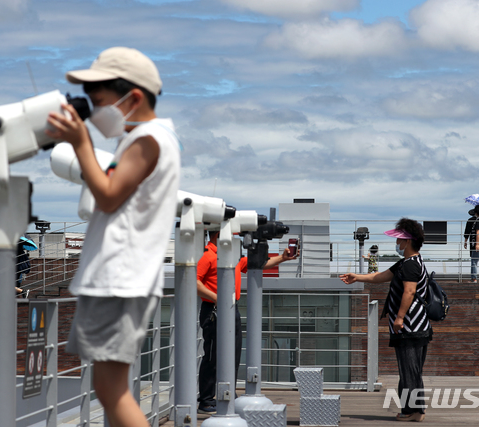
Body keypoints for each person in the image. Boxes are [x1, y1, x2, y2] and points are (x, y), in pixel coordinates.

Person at [46, 47, 180, 427]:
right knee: (109, 388)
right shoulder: (153, 137)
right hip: (124, 278)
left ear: (132, 97)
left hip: (120, 280)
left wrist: (81, 142)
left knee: (112, 390)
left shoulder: (148, 139)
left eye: (99, 100)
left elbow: (107, 195)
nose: (92, 108)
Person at [196, 230, 297, 415]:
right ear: (219, 234)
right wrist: (217, 298)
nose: (236, 239)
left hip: (231, 308)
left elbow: (259, 264)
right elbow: (194, 282)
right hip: (214, 309)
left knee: (232, 354)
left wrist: (283, 258)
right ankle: (206, 400)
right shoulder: (207, 255)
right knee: (212, 356)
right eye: (231, 234)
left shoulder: (231, 256)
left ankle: (226, 394)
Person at [340, 218, 431, 422]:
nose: (397, 244)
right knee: (411, 371)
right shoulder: (408, 263)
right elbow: (380, 276)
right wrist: (357, 277)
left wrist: (399, 318)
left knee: (409, 371)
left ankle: (412, 411)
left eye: (399, 240)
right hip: (416, 327)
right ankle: (415, 410)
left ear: (407, 241)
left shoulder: (410, 266)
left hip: (409, 327)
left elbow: (409, 291)